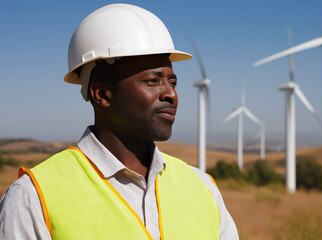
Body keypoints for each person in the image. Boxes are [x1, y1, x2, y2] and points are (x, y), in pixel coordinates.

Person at [0, 3, 239, 240]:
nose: (171, 94)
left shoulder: (203, 188)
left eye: (173, 82)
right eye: (152, 81)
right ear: (102, 94)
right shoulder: (33, 197)